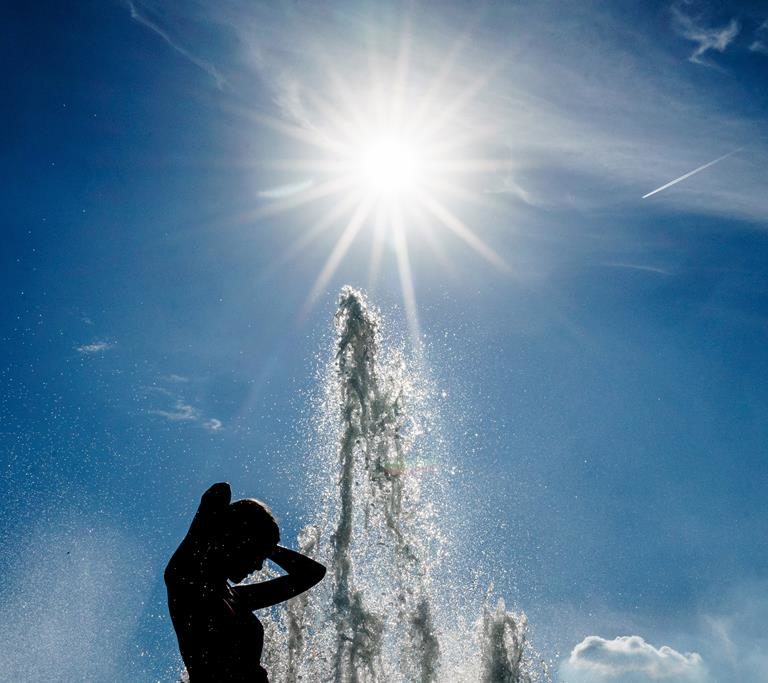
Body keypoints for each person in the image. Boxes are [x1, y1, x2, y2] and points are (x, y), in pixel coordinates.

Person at [165, 482, 326, 682]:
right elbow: (219, 492)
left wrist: (268, 546)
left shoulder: (237, 598)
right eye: (259, 555)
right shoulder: (186, 579)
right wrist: (243, 532)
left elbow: (312, 573)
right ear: (240, 540)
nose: (259, 566)